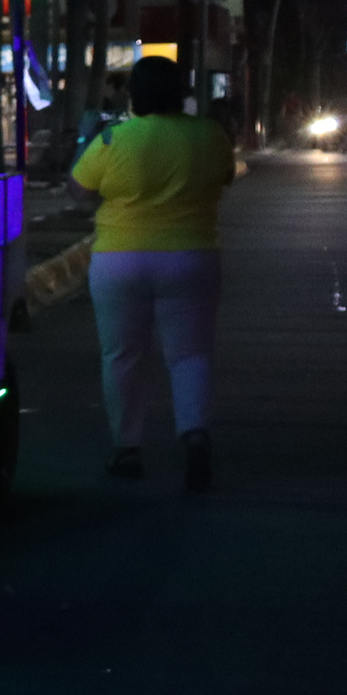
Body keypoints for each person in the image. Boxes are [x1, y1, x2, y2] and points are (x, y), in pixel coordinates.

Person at [71, 53, 235, 487]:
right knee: (190, 354)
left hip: (119, 259)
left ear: (134, 95)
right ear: (180, 93)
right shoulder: (209, 135)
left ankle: (127, 448)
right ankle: (195, 439)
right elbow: (224, 178)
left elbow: (81, 194)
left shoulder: (111, 140)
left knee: (122, 355)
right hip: (192, 256)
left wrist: (84, 142)